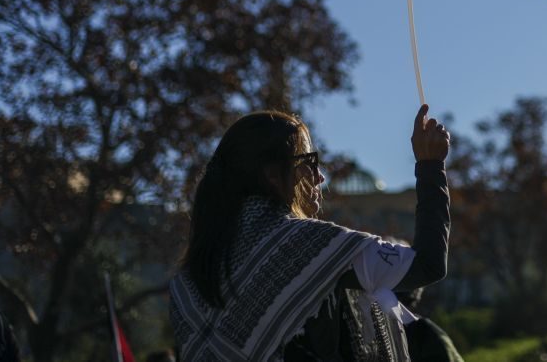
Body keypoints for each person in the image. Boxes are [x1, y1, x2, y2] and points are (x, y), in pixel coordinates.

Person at [169, 104, 451, 361]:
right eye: (309, 162)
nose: (319, 177)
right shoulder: (304, 244)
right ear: (273, 175)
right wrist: (430, 166)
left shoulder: (187, 278)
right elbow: (427, 264)